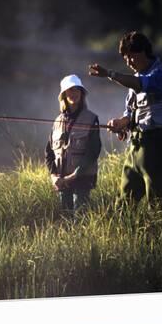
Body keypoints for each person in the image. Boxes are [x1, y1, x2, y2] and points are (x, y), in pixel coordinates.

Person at [89, 31, 162, 206]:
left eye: (131, 57)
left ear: (144, 51)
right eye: (125, 58)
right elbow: (130, 113)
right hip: (136, 148)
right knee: (123, 202)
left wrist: (109, 73)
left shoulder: (161, 75)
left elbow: (141, 85)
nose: (129, 62)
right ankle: (124, 232)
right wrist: (120, 123)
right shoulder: (135, 79)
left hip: (157, 147)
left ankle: (158, 233)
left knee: (158, 203)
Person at [45, 75, 101, 217]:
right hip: (62, 181)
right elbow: (49, 153)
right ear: (64, 95)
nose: (74, 93)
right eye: (70, 90)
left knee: (80, 219)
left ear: (82, 94)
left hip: (82, 180)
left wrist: (73, 175)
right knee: (66, 220)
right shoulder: (57, 121)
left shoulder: (91, 119)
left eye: (77, 90)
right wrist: (53, 176)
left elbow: (93, 152)